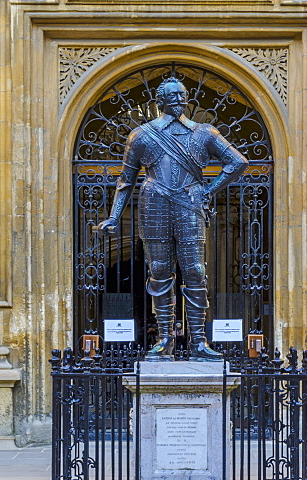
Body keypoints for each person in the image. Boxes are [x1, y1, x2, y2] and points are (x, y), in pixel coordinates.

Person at [96, 75, 248, 359]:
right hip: (154, 202)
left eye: (182, 95)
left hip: (189, 203)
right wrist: (115, 217)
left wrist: (208, 190)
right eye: (173, 95)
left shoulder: (204, 133)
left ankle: (198, 341)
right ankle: (165, 338)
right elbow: (126, 180)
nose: (179, 100)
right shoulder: (141, 135)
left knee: (195, 271)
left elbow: (238, 161)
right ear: (160, 100)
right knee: (160, 269)